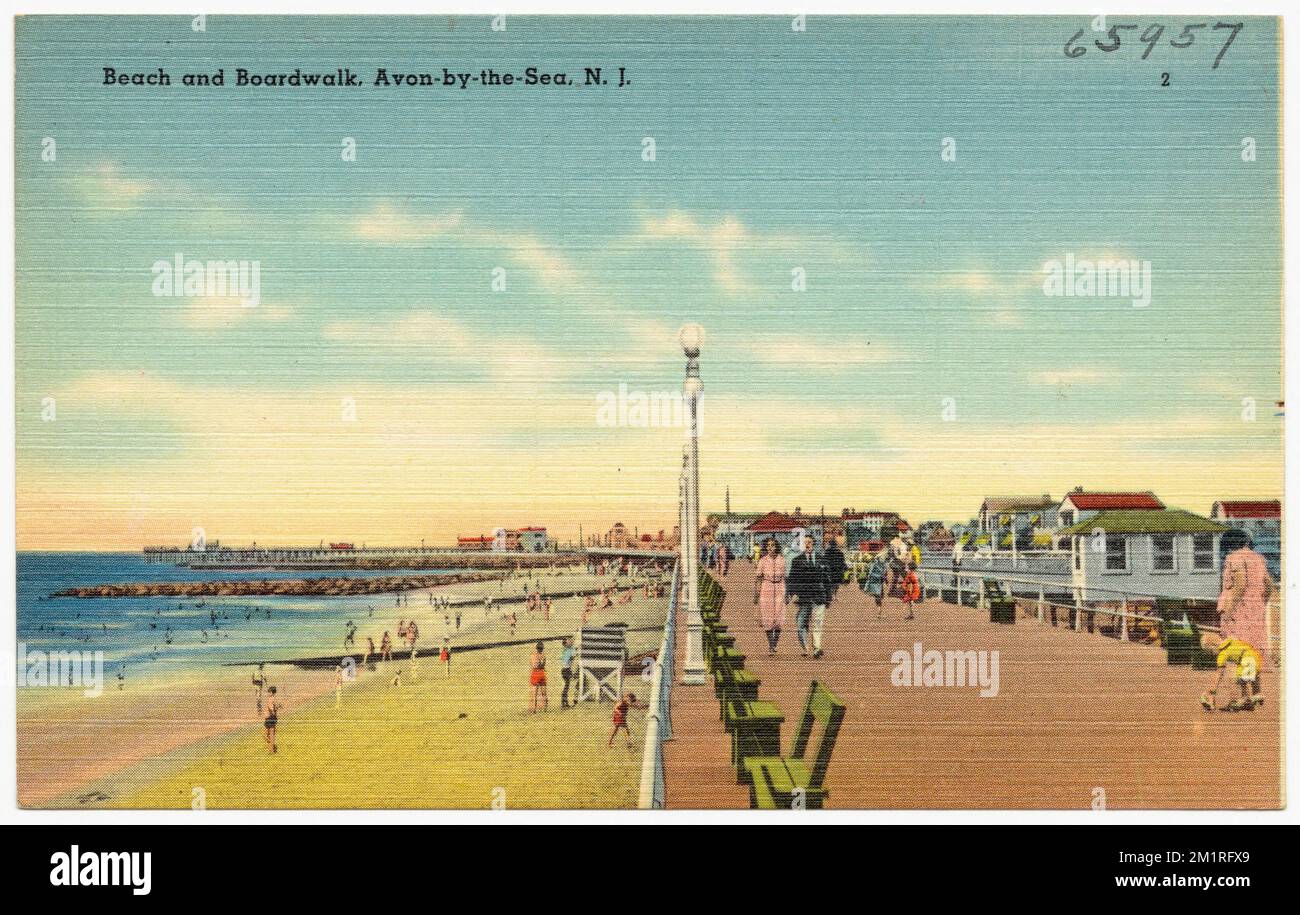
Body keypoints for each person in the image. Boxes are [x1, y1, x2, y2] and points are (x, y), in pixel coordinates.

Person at [1202, 529, 1275, 712]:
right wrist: (1261, 603)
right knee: (1252, 654)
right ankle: (1251, 695)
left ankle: (1237, 698)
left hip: (1238, 614)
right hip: (1255, 612)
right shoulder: (1258, 558)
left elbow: (1240, 585)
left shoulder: (1233, 558)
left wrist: (1229, 610)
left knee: (1233, 654)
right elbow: (1269, 585)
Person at [787, 535, 830, 659]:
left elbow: (827, 580)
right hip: (804, 597)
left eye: (809, 542)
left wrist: (828, 597)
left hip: (819, 596)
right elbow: (792, 580)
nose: (807, 544)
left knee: (817, 623)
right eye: (804, 542)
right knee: (802, 624)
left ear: (813, 544)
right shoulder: (797, 561)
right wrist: (792, 594)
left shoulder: (822, 560)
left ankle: (817, 648)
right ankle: (805, 647)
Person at [754, 537, 787, 654]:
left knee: (779, 619)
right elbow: (758, 578)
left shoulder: (782, 560)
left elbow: (785, 577)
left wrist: (786, 594)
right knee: (767, 618)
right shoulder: (763, 560)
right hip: (766, 588)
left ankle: (775, 643)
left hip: (779, 588)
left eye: (772, 545)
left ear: (776, 546)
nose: (770, 548)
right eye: (768, 545)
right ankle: (771, 645)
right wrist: (756, 595)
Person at [863, 550, 887, 617]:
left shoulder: (873, 563)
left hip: (875, 580)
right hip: (878, 580)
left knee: (878, 596)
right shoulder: (881, 564)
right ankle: (879, 612)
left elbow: (869, 572)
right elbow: (884, 572)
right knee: (879, 596)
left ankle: (879, 611)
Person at [529, 641, 548, 713]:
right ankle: (545, 709)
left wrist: (538, 662)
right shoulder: (543, 656)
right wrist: (541, 662)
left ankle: (534, 710)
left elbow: (534, 665)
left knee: (535, 694)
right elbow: (543, 665)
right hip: (542, 673)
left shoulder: (533, 655)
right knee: (544, 693)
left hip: (535, 674)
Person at [559, 636, 576, 708]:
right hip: (566, 670)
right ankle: (564, 702)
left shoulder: (567, 649)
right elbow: (568, 660)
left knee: (567, 686)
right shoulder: (567, 650)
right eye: (568, 641)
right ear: (566, 644)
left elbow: (572, 641)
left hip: (567, 669)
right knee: (566, 686)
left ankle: (565, 702)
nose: (570, 641)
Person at [264, 686, 280, 754]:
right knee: (270, 735)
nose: (268, 693)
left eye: (269, 692)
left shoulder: (270, 699)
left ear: (272, 692)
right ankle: (272, 748)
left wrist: (272, 711)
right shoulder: (273, 699)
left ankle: (272, 749)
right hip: (272, 718)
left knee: (267, 735)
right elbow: (274, 708)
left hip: (270, 718)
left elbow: (272, 709)